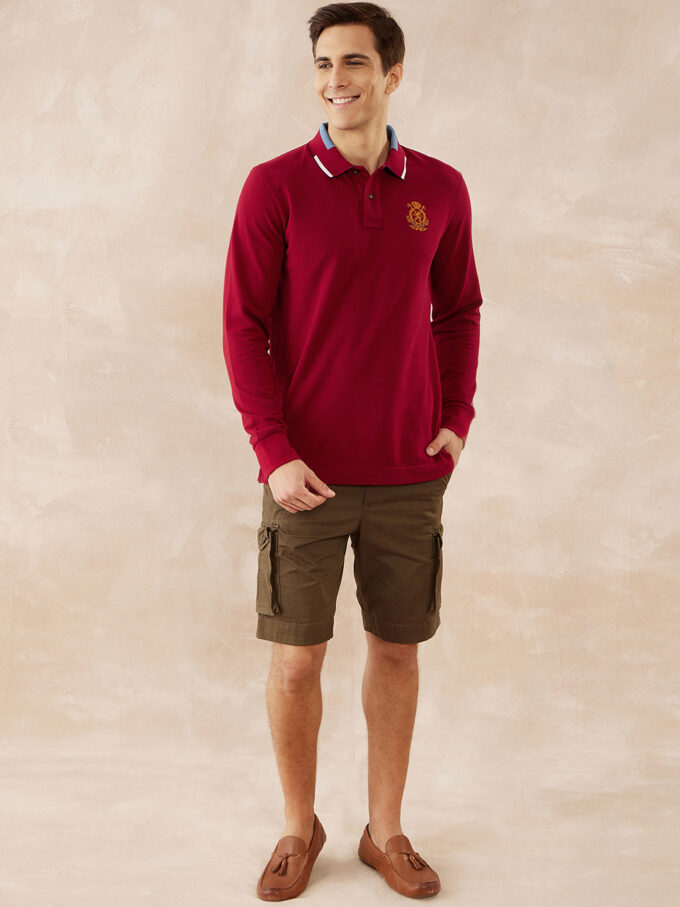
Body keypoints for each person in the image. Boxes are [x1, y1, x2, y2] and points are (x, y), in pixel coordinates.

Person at [222, 2, 483, 899]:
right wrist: (272, 449)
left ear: (392, 74)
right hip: (304, 475)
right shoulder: (274, 186)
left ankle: (385, 830)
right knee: (297, 658)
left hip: (410, 472)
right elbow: (243, 325)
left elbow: (459, 310)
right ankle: (300, 828)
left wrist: (457, 414)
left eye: (356, 62)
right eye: (325, 64)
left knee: (398, 651)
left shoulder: (440, 189)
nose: (337, 80)